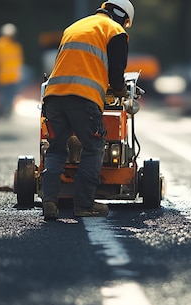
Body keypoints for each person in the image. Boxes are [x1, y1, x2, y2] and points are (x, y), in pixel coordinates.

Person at [41, 0, 134, 220]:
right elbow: (116, 75)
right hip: (83, 98)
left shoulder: (74, 27)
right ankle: (84, 205)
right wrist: (120, 91)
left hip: (54, 96)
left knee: (56, 149)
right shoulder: (115, 31)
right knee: (93, 147)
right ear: (123, 17)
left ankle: (49, 202)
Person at [0, 23, 24, 119]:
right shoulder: (3, 44)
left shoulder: (11, 45)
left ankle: (5, 111)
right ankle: (3, 111)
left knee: (8, 95)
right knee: (6, 95)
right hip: (7, 76)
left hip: (10, 76)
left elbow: (18, 60)